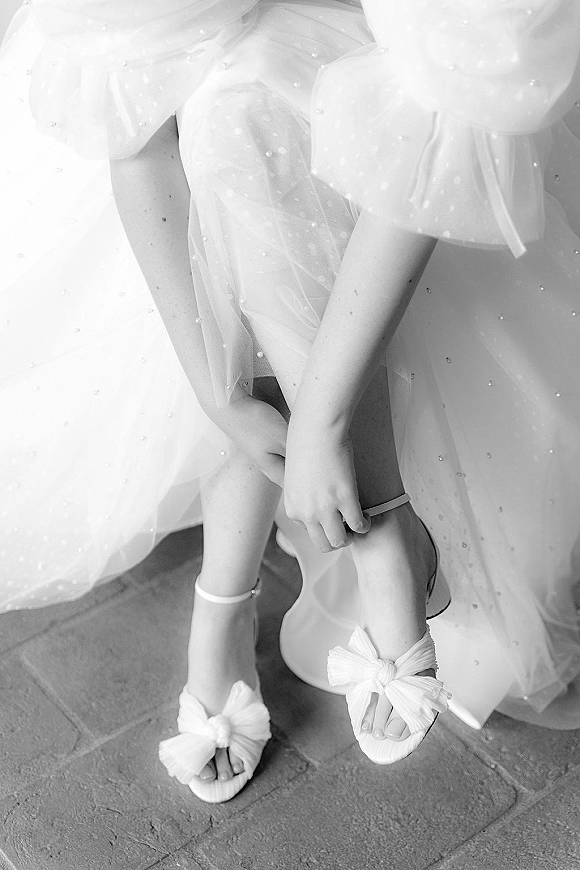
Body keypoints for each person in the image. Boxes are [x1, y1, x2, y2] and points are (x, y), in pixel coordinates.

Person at [2, 0, 580, 803]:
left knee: (252, 117)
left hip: (432, 107)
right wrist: (215, 389)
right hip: (215, 96)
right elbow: (133, 119)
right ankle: (372, 543)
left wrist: (327, 419)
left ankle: (249, 588)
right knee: (232, 118)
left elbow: (447, 120)